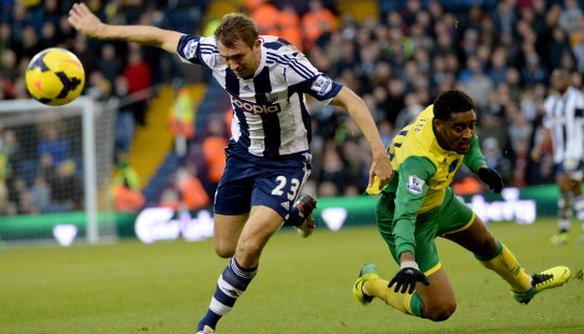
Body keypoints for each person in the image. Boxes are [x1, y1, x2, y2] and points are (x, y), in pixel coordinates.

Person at [68, 5, 393, 333]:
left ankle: (207, 324)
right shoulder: (213, 54)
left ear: (257, 46)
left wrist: (378, 152)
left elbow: (350, 98)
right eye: (227, 58)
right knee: (224, 247)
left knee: (248, 246)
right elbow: (161, 36)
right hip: (242, 156)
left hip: (287, 162)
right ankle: (293, 214)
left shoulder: (287, 63)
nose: (233, 65)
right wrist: (103, 30)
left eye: (238, 56)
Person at [353, 90, 570, 322]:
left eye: (472, 125)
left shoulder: (442, 117)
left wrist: (480, 167)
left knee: (485, 241)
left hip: (438, 200)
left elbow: (469, 142)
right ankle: (369, 284)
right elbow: (404, 214)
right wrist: (407, 260)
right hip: (405, 216)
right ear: (440, 125)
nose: (467, 133)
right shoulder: (419, 162)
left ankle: (525, 286)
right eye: (460, 128)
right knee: (441, 308)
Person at [531, 69, 584, 245]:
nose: (557, 80)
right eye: (555, 78)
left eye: (561, 77)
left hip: (576, 151)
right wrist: (538, 148)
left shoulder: (578, 98)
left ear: (568, 79)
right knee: (575, 189)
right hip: (560, 154)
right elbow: (549, 129)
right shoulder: (551, 103)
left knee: (563, 183)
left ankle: (563, 230)